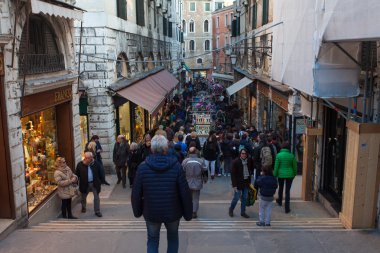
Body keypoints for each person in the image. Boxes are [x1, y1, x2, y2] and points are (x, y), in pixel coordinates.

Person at [132, 135, 193, 253]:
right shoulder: (176, 167)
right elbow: (185, 193)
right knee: (173, 239)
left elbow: (136, 193)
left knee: (153, 240)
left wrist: (137, 211)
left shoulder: (143, 167)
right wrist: (188, 214)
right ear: (166, 149)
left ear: (151, 149)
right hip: (173, 212)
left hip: (151, 212)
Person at [182, 147, 207, 218]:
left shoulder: (185, 161)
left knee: (188, 198)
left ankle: (188, 210)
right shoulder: (200, 161)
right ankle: (194, 212)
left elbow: (182, 171)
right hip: (197, 181)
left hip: (187, 181)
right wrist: (205, 179)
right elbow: (205, 170)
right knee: (195, 198)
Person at [75, 152, 103, 217]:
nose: (87, 159)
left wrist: (101, 181)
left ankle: (97, 211)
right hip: (84, 184)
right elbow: (77, 175)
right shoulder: (80, 164)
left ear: (91, 158)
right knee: (83, 197)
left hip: (94, 183)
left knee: (96, 198)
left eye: (89, 158)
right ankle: (83, 207)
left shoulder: (96, 163)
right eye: (86, 158)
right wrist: (76, 184)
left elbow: (101, 172)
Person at [273, 142, 297, 213]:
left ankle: (280, 201)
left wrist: (275, 174)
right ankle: (287, 208)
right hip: (290, 174)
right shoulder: (292, 155)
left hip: (280, 174)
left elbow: (276, 167)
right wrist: (294, 174)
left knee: (280, 188)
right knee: (287, 191)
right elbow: (295, 167)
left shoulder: (278, 155)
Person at [229, 148, 253, 218]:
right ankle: (231, 209)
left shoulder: (249, 160)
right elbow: (233, 174)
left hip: (246, 183)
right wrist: (234, 185)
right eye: (242, 153)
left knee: (245, 198)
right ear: (240, 154)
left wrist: (249, 182)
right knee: (236, 198)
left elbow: (250, 170)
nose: (244, 155)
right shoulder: (236, 162)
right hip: (238, 183)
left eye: (245, 153)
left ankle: (243, 212)